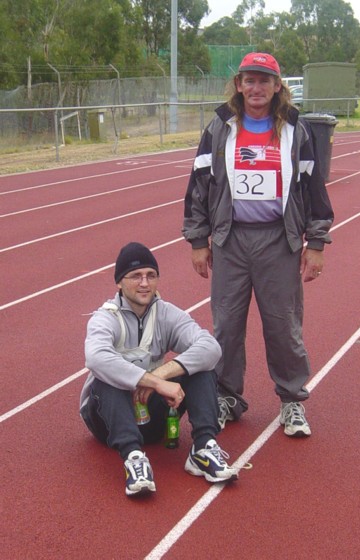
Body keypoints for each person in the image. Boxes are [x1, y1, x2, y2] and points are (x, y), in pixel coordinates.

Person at [182, 52, 334, 437]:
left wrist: (315, 242)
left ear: (277, 86)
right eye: (249, 80)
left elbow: (314, 190)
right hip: (230, 241)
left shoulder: (295, 130)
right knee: (226, 327)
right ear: (238, 84)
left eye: (264, 81)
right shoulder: (220, 127)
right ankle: (226, 397)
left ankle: (291, 401)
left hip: (277, 241)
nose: (256, 88)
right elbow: (198, 187)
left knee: (283, 327)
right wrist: (199, 240)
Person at [80, 242, 238, 497]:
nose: (144, 283)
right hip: (106, 419)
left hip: (151, 416)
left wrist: (161, 375)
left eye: (150, 276)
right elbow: (96, 358)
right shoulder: (105, 317)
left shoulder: (167, 314)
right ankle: (134, 458)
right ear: (119, 283)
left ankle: (203, 448)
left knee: (202, 367)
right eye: (135, 276)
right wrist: (152, 382)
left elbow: (210, 347)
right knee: (105, 379)